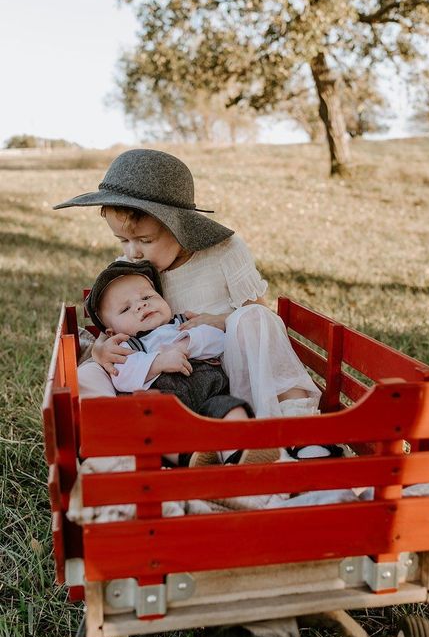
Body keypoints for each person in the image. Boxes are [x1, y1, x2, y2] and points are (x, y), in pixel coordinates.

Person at [54, 148, 340, 459]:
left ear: (181, 227)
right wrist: (100, 350)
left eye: (145, 240)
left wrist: (222, 321)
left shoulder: (225, 252)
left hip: (232, 371)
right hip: (168, 386)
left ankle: (300, 428)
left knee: (255, 319)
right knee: (93, 373)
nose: (132, 252)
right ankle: (133, 446)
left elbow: (257, 311)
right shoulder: (131, 271)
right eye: (123, 241)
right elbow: (115, 326)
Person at [86, 259, 281, 466]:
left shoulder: (185, 323)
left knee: (231, 409)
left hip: (211, 397)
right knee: (152, 427)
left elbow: (219, 340)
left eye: (147, 297)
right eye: (125, 309)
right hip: (168, 413)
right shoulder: (126, 346)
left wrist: (186, 344)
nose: (141, 305)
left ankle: (240, 453)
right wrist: (158, 363)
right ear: (112, 332)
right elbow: (122, 377)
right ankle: (192, 457)